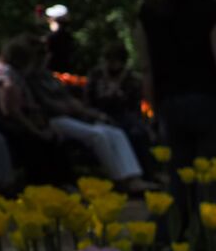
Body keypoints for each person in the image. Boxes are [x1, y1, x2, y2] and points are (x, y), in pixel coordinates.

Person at [137, 0, 216, 213]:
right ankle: (215, 245)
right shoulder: (211, 11)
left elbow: (146, 69)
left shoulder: (150, 12)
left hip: (170, 105)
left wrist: (154, 109)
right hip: (213, 104)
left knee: (179, 183)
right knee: (215, 186)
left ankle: (175, 244)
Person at [24, 46, 153, 192]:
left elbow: (70, 100)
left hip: (77, 116)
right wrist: (72, 108)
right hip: (54, 119)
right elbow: (50, 103)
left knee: (116, 132)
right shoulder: (32, 79)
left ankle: (134, 177)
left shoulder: (48, 76)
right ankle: (119, 179)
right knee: (98, 135)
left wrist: (85, 111)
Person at [0, 37, 72, 185]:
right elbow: (11, 111)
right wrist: (37, 132)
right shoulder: (6, 75)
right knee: (44, 144)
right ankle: (52, 188)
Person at [87, 42, 153, 173]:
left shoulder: (131, 79)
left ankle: (146, 173)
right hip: (100, 114)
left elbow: (134, 105)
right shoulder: (96, 76)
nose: (112, 64)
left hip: (125, 116)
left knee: (138, 133)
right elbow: (89, 100)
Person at [44, 4, 78, 74]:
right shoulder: (68, 37)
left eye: (50, 17)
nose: (48, 20)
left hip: (54, 75)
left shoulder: (53, 37)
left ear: (54, 19)